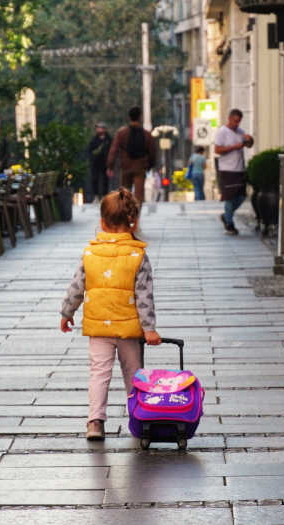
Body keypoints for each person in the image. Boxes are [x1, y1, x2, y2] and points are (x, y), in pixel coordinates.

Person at [59, 188, 161, 440]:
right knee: (134, 376)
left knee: (99, 374)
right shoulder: (138, 255)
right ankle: (139, 418)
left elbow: (77, 287)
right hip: (129, 330)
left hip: (99, 330)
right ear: (133, 221)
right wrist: (149, 329)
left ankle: (95, 422)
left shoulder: (90, 253)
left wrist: (67, 312)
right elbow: (144, 296)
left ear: (102, 223)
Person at [107, 106, 157, 203]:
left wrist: (110, 165)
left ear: (129, 117)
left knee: (125, 193)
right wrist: (150, 165)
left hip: (126, 166)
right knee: (138, 194)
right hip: (140, 167)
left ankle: (126, 210)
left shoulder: (121, 132)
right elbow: (152, 152)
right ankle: (136, 212)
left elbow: (114, 150)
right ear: (140, 117)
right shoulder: (146, 134)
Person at [214, 109, 253, 234]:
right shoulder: (222, 131)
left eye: (239, 121)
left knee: (241, 196)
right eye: (235, 121)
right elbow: (217, 149)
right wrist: (233, 147)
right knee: (230, 197)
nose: (237, 124)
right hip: (227, 169)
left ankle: (226, 215)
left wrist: (249, 139)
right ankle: (229, 223)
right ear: (229, 118)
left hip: (239, 168)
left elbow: (249, 145)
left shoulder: (240, 131)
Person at [86, 123, 112, 203]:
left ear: (104, 129)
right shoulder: (94, 140)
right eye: (98, 128)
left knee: (105, 180)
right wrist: (91, 159)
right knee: (95, 179)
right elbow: (90, 150)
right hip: (95, 163)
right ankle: (96, 196)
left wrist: (111, 162)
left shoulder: (109, 139)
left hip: (105, 163)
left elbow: (112, 150)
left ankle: (104, 196)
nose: (99, 129)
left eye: (100, 128)